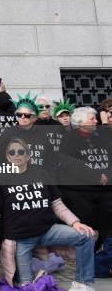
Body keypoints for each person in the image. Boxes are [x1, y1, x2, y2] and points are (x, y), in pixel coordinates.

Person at [0, 138, 97, 291]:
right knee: (26, 285)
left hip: (47, 231)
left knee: (86, 236)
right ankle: (35, 268)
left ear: (28, 155)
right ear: (8, 157)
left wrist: (75, 223)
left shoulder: (40, 173)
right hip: (21, 239)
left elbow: (57, 204)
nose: (16, 155)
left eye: (21, 151)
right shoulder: (0, 178)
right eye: (12, 152)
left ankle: (83, 284)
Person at [58, 107, 111, 251]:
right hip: (82, 192)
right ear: (81, 123)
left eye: (95, 118)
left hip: (105, 190)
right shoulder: (69, 138)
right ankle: (89, 251)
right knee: (88, 222)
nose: (96, 121)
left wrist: (107, 174)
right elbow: (69, 163)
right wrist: (95, 175)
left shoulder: (100, 136)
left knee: (107, 221)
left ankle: (104, 249)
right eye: (92, 119)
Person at [0, 93, 56, 173]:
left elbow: (50, 161)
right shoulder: (8, 133)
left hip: (38, 180)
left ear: (34, 118)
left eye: (27, 115)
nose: (22, 117)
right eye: (19, 114)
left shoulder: (43, 136)